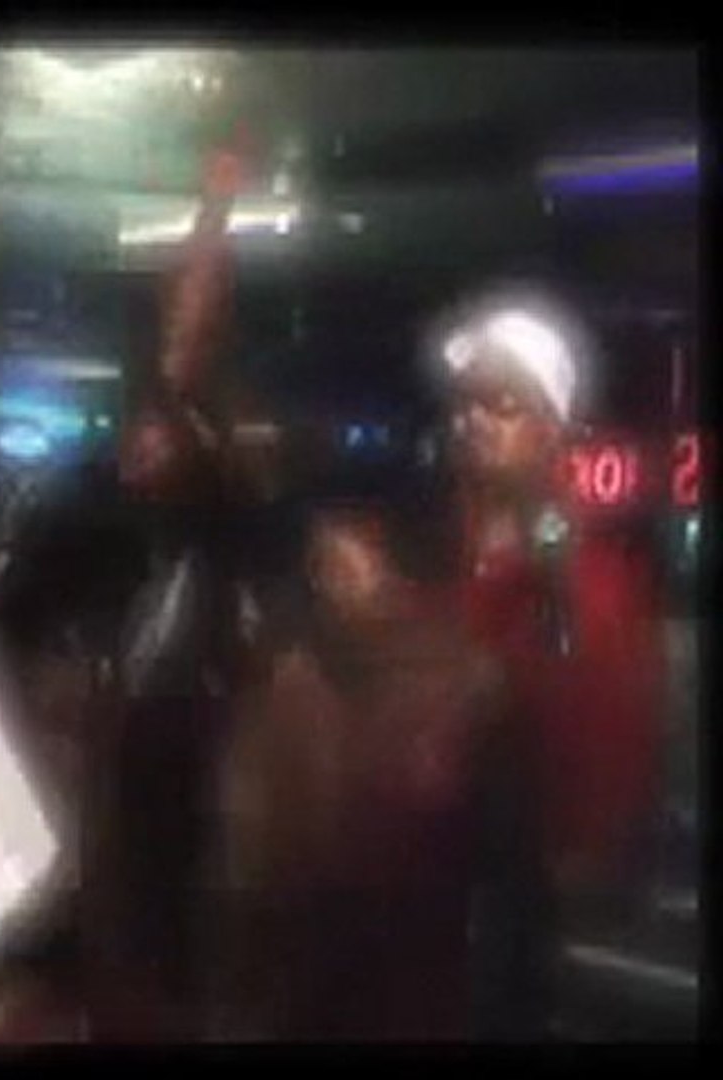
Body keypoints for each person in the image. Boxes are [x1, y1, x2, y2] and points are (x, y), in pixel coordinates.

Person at [429, 290, 667, 1032]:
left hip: (515, 874)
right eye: (467, 404)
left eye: (501, 404)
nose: (472, 421)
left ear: (550, 428)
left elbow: (591, 704)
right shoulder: (451, 547)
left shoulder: (573, 567)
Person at [209, 504, 525, 1040]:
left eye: (352, 559)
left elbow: (501, 851)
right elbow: (250, 840)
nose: (338, 580)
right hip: (306, 974)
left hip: (413, 971)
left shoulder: (468, 686)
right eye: (323, 565)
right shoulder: (291, 687)